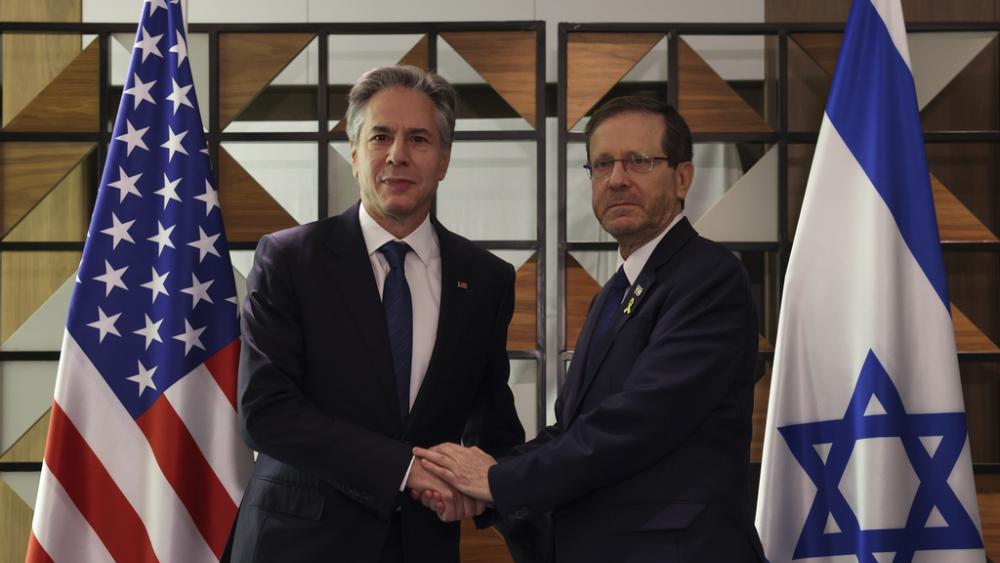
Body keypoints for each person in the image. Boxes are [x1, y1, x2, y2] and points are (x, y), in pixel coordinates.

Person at [416, 96, 766, 562]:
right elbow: (572, 430)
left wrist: (497, 481)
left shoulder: (710, 278)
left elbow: (639, 421)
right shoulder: (612, 294)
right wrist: (485, 481)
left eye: (639, 162)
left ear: (683, 177)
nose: (617, 179)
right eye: (602, 165)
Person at [231, 64, 525, 563]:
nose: (398, 155)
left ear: (445, 160)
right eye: (380, 136)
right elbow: (266, 411)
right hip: (296, 545)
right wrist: (405, 471)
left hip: (422, 545)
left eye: (419, 139)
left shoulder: (487, 279)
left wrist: (500, 490)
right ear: (354, 152)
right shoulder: (289, 259)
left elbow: (490, 425)